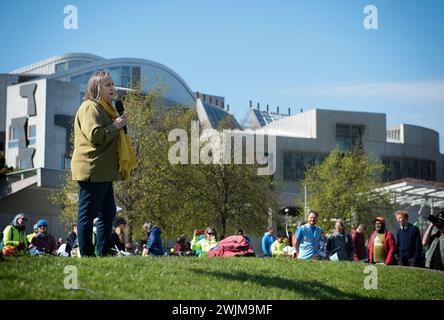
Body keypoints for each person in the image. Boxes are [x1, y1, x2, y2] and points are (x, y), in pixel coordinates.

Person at [71, 71, 136, 257]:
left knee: (108, 213)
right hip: (92, 168)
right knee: (87, 215)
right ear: (96, 88)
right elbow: (96, 136)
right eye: (108, 85)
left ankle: (103, 252)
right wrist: (115, 126)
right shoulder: (90, 107)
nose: (113, 88)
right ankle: (87, 255)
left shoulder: (108, 110)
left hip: (105, 171)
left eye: (113, 84)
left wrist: (118, 125)